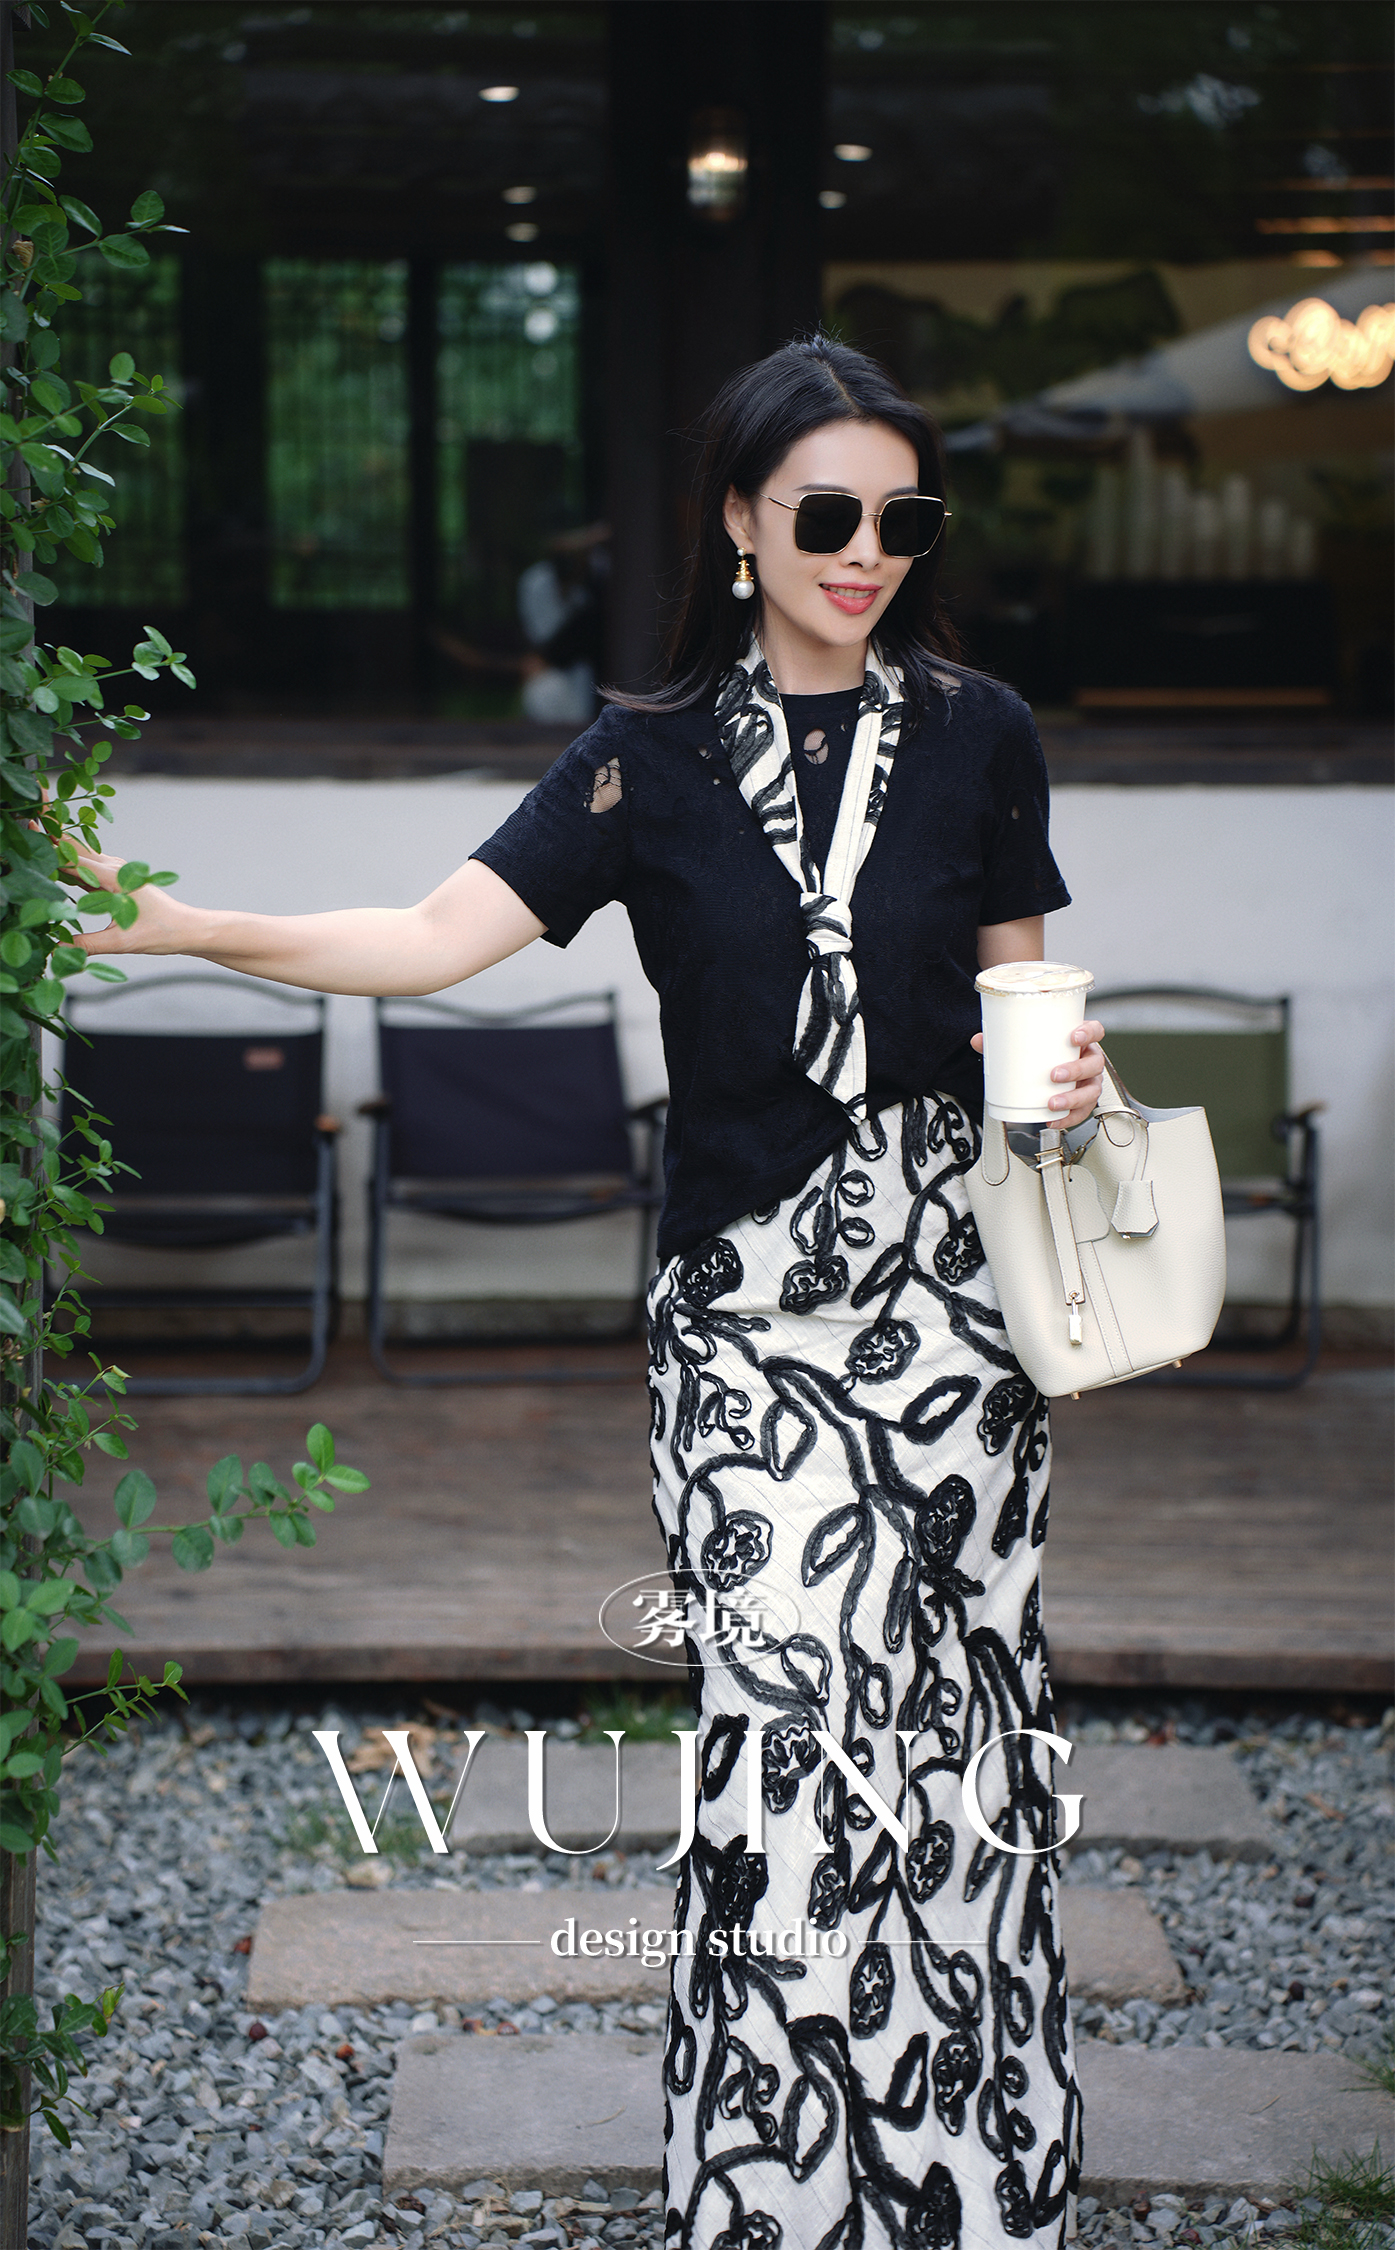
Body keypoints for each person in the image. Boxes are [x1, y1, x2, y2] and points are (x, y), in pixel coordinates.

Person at [69, 336, 1105, 2250]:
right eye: (825, 513)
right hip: (749, 1328)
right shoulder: (643, 757)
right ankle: (776, 2198)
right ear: (739, 524)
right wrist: (189, 922)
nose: (865, 552)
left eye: (904, 519)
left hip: (959, 1318)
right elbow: (425, 937)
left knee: (954, 1743)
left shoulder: (982, 732)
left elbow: (1024, 1010)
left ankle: (968, 2189)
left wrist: (1069, 1084)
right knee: (787, 1735)